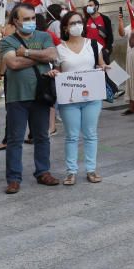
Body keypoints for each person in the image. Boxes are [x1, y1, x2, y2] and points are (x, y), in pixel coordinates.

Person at [0, 3, 60, 193]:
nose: (31, 22)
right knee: (15, 138)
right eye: (26, 19)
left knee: (42, 136)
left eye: (33, 18)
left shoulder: (44, 36)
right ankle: (14, 178)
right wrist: (41, 57)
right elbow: (13, 63)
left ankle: (43, 172)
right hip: (17, 96)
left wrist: (26, 52)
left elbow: (53, 54)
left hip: (41, 95)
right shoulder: (8, 41)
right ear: (16, 21)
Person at [55, 11, 107, 185]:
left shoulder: (93, 44)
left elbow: (101, 64)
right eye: (72, 23)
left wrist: (104, 68)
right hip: (69, 99)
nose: (77, 25)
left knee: (91, 134)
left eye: (79, 22)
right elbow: (58, 71)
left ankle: (91, 170)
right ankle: (71, 171)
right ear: (65, 28)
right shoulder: (59, 49)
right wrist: (54, 72)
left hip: (92, 97)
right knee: (71, 135)